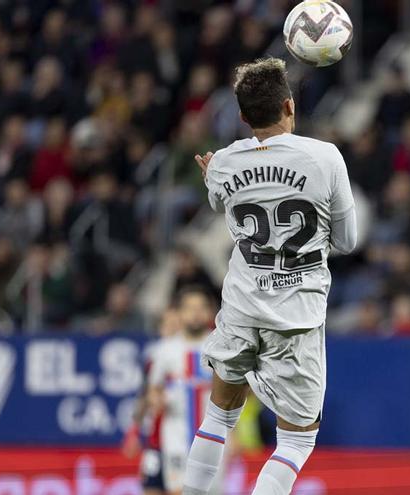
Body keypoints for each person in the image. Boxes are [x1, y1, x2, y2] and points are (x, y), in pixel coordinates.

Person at [182, 58, 357, 495]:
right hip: (295, 315)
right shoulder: (325, 156)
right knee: (297, 439)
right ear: (289, 105)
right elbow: (349, 241)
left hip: (242, 307)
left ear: (242, 117)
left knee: (219, 414)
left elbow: (219, 202)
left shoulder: (223, 161)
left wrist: (218, 176)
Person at [126, 287, 218, 495]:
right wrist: (156, 400)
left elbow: (235, 390)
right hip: (175, 434)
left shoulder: (220, 345)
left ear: (210, 312)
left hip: (214, 436)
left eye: (200, 308)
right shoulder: (165, 350)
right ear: (180, 312)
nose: (195, 313)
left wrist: (236, 431)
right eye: (189, 308)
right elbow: (152, 389)